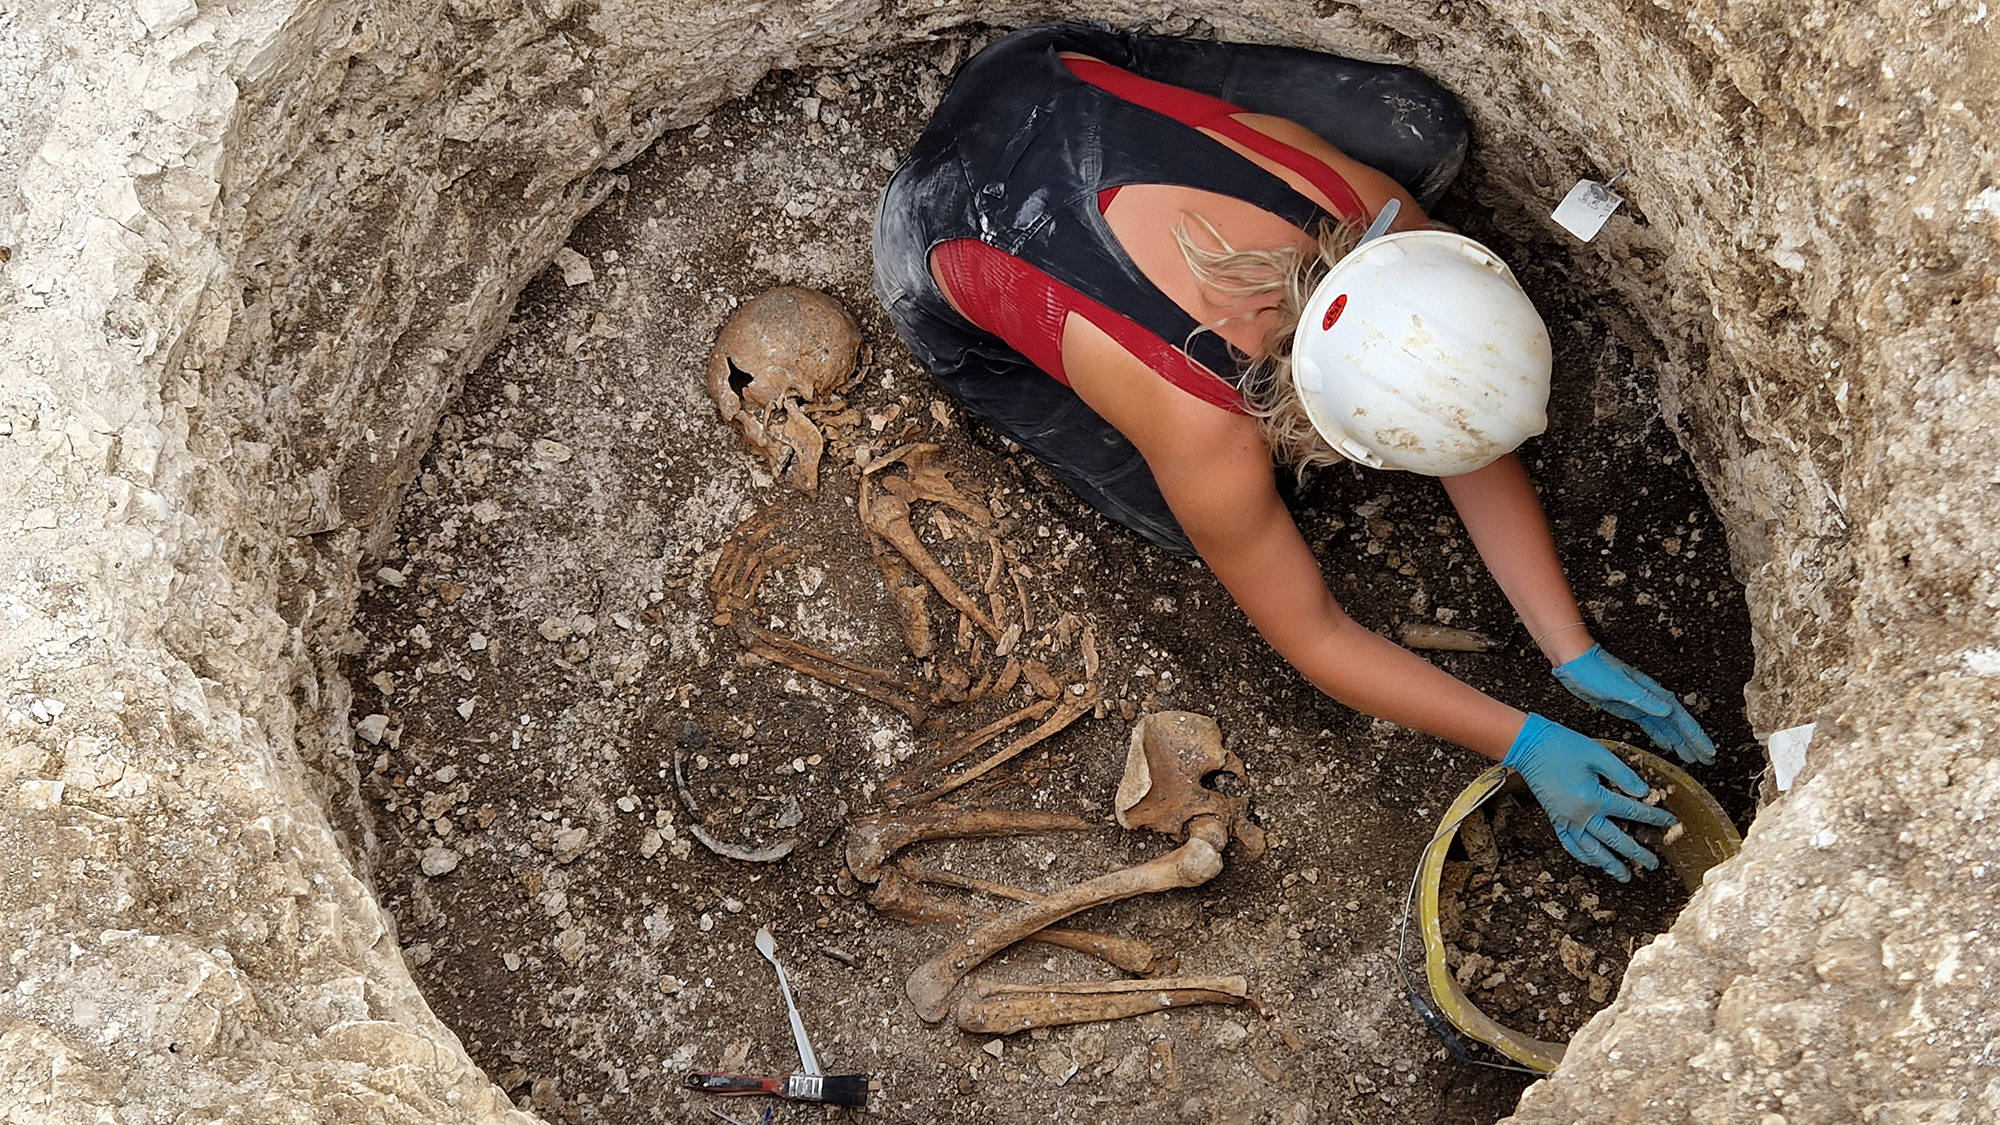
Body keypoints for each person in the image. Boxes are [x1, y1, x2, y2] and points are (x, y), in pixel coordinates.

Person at [872, 22, 1713, 880]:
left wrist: (1570, 647)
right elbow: (1314, 635)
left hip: (1047, 81)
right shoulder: (1205, 432)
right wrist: (1527, 743)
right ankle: (979, 332)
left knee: (1423, 127)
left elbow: (1454, 413)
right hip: (934, 220)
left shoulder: (1373, 217)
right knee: (1179, 519)